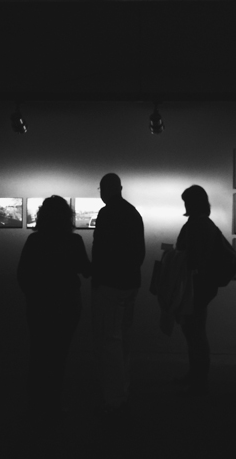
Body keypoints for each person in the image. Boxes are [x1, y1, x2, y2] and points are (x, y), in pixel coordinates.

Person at [17, 195, 91, 422]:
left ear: (42, 215)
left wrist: (33, 296)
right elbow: (86, 270)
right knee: (59, 356)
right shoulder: (74, 240)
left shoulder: (34, 240)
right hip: (67, 304)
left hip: (39, 305)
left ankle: (34, 405)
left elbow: (22, 274)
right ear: (67, 216)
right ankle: (53, 405)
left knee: (38, 353)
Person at [91, 173, 145, 416]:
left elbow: (100, 251)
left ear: (104, 189)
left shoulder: (106, 213)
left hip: (110, 285)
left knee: (110, 340)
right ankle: (123, 389)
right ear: (120, 188)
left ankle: (114, 397)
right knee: (123, 337)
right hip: (130, 283)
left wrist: (97, 279)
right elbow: (140, 252)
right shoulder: (133, 213)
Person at [175, 185, 220, 396]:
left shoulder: (196, 225)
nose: (185, 205)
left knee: (195, 333)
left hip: (194, 286)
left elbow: (192, 255)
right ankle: (197, 376)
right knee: (196, 331)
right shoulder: (206, 224)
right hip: (201, 286)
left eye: (187, 202)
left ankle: (199, 378)